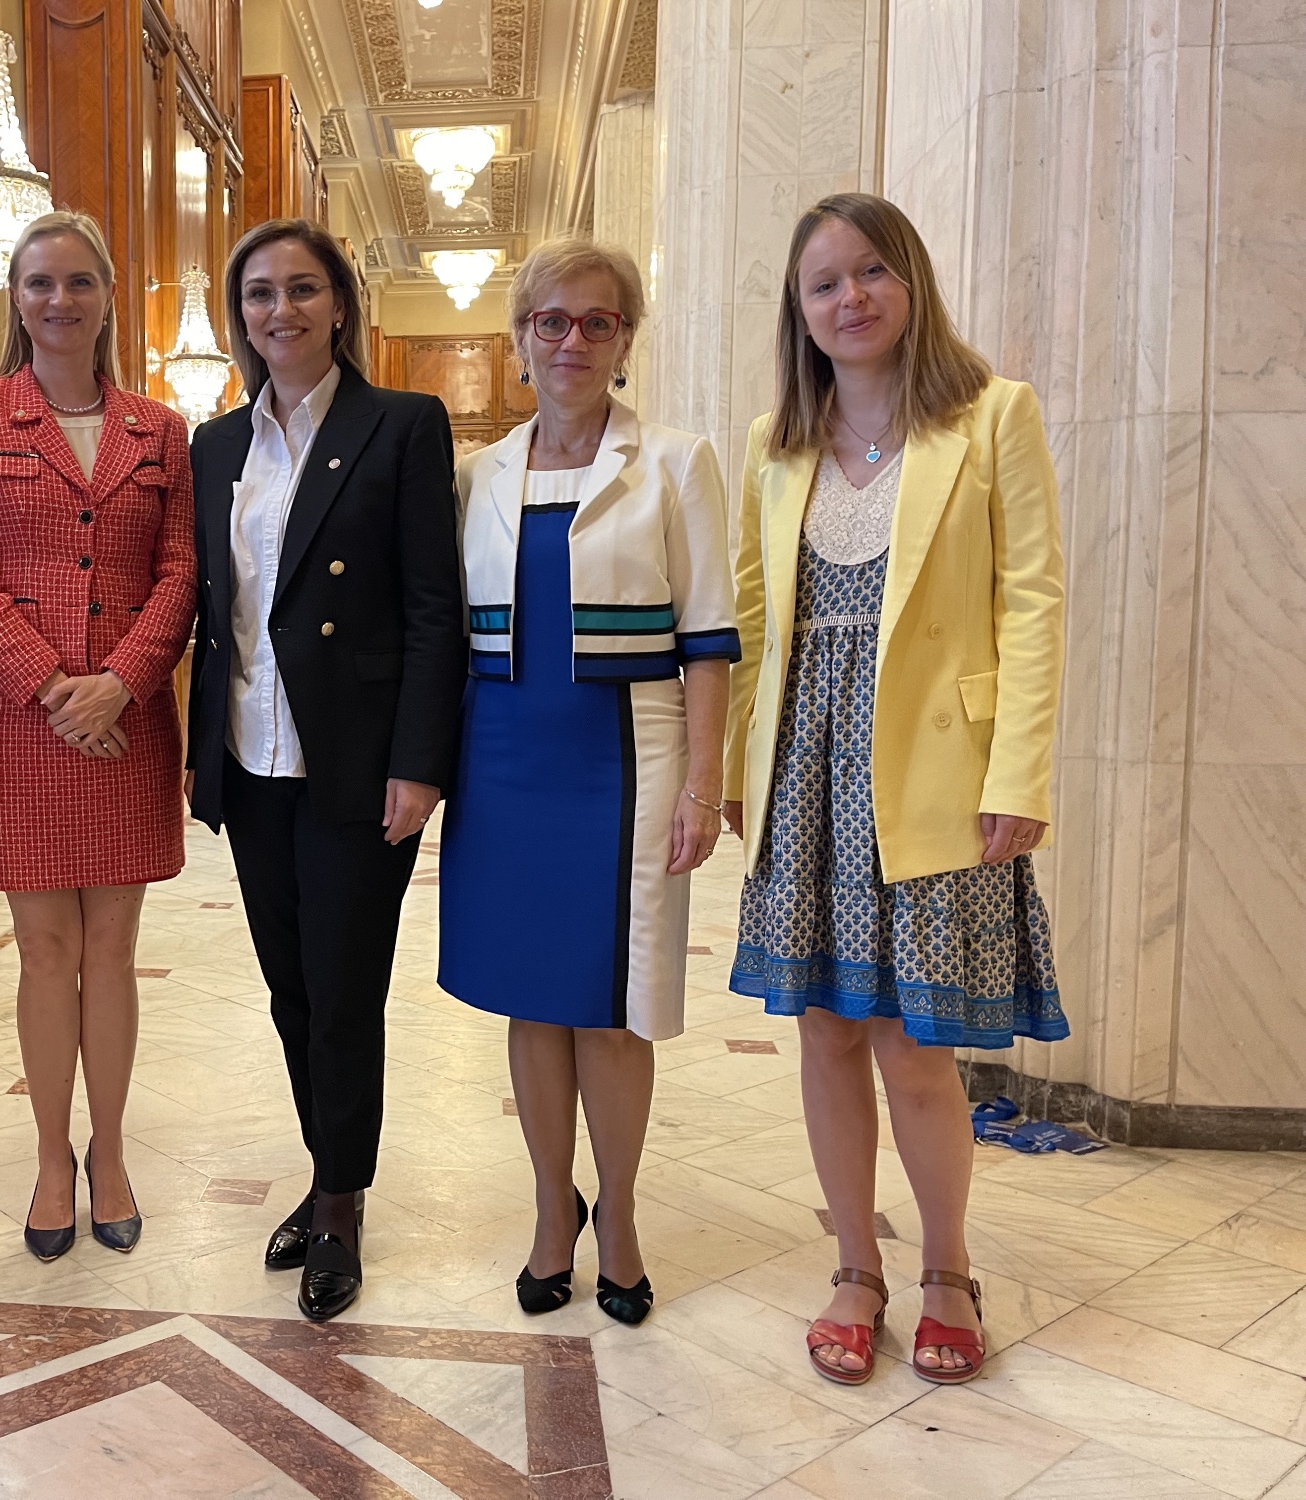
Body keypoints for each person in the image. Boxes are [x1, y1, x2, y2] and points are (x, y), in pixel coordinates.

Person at [723, 193, 1067, 1387]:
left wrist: (1016, 768)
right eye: (823, 283)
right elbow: (756, 619)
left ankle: (947, 1270)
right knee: (823, 1034)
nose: (848, 298)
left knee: (916, 1047)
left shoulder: (987, 418)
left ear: (908, 281)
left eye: (869, 272)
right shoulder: (778, 441)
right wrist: (734, 774)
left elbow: (1031, 601)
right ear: (799, 311)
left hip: (933, 774)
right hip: (803, 771)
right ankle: (854, 1270)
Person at [439, 239, 738, 1326]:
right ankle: (547, 1212)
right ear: (518, 338)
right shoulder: (478, 475)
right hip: (502, 761)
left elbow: (708, 639)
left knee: (610, 1011)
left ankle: (615, 1212)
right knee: (530, 1002)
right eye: (551, 320)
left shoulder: (672, 462)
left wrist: (703, 786)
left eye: (597, 322)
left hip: (624, 760)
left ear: (623, 341)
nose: (572, 340)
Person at [186, 218, 464, 1322]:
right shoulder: (215, 446)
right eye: (258, 294)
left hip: (355, 764)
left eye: (302, 290)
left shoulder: (401, 425)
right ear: (238, 313)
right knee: (289, 984)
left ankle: (341, 1200)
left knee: (345, 990)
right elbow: (219, 610)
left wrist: (418, 762)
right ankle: (322, 1166)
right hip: (252, 756)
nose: (280, 311)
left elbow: (432, 608)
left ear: (339, 304)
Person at [0, 212, 196, 1261]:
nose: (58, 300)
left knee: (114, 951)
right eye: (38, 281)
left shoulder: (157, 429)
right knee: (43, 953)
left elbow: (179, 573)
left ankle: (112, 1151)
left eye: (79, 281)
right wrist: (51, 685)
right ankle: (50, 1158)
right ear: (15, 296)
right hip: (19, 723)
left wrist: (119, 683)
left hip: (124, 728)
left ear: (108, 295)